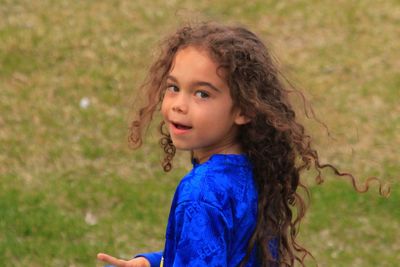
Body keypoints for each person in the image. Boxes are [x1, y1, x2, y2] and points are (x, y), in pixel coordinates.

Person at [97, 22, 388, 267]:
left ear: (244, 109)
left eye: (202, 94)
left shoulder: (201, 192)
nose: (179, 105)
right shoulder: (253, 168)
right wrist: (155, 260)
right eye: (174, 87)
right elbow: (223, 253)